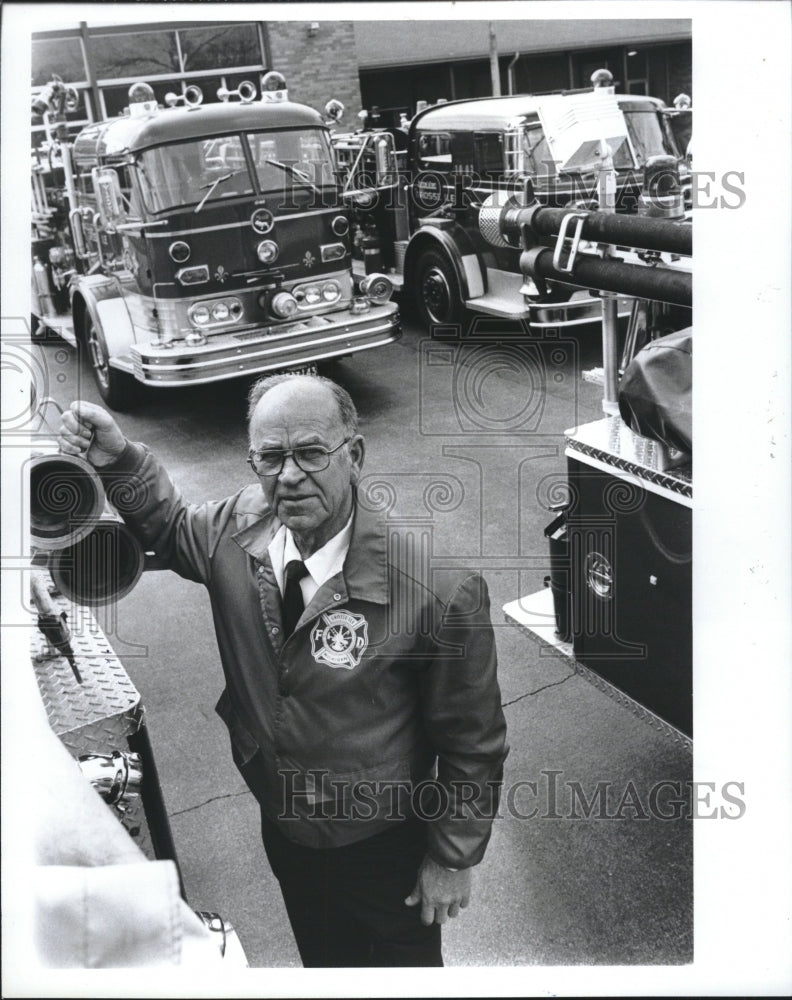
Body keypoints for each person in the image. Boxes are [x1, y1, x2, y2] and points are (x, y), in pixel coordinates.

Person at [57, 373, 508, 968]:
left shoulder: (436, 591)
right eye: (269, 457)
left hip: (383, 846)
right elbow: (168, 528)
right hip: (286, 826)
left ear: (355, 455)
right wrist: (119, 459)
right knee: (323, 962)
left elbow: (474, 744)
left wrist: (452, 858)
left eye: (311, 453)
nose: (289, 475)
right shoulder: (236, 529)